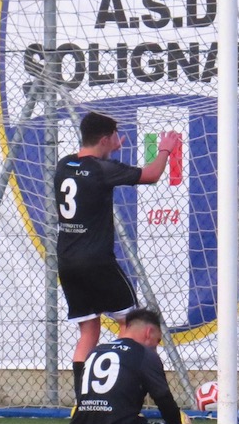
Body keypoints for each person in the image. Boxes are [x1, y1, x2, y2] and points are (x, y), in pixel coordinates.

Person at [54, 112, 181, 405]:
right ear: (103, 139)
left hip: (68, 262)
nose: (118, 138)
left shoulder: (64, 166)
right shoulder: (102, 169)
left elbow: (91, 168)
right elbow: (151, 175)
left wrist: (109, 149)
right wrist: (165, 149)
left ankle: (84, 403)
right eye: (114, 135)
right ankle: (123, 397)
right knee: (131, 327)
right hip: (98, 261)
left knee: (89, 332)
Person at [70, 308, 239, 424]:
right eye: (157, 340)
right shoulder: (146, 355)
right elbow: (165, 403)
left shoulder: (97, 350)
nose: (156, 346)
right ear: (148, 332)